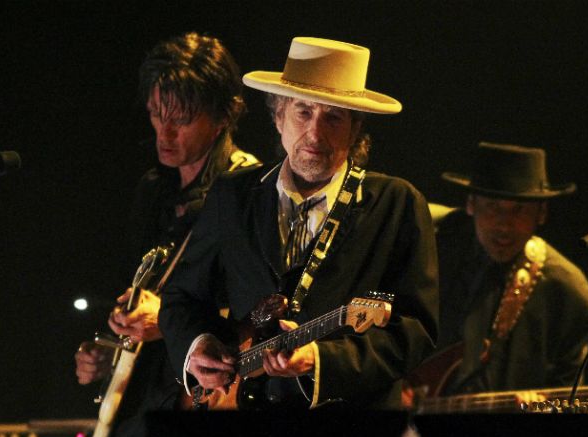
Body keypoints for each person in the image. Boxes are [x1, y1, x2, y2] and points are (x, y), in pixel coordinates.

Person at [158, 37, 438, 415]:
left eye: (333, 117)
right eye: (303, 112)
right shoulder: (232, 195)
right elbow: (182, 297)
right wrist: (197, 345)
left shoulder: (397, 203)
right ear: (278, 117)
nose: (316, 133)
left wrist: (321, 361)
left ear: (355, 129)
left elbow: (415, 332)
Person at [73, 32, 260, 437]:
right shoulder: (153, 191)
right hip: (141, 395)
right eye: (156, 115)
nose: (164, 133)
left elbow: (260, 311)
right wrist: (108, 348)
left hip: (196, 402)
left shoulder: (248, 191)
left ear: (224, 115)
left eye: (181, 119)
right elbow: (139, 292)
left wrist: (173, 322)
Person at [407, 142, 588, 407]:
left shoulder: (568, 293)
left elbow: (566, 394)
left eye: (519, 209)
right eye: (492, 206)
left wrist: (541, 408)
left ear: (541, 213)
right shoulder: (434, 252)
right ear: (471, 204)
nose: (504, 224)